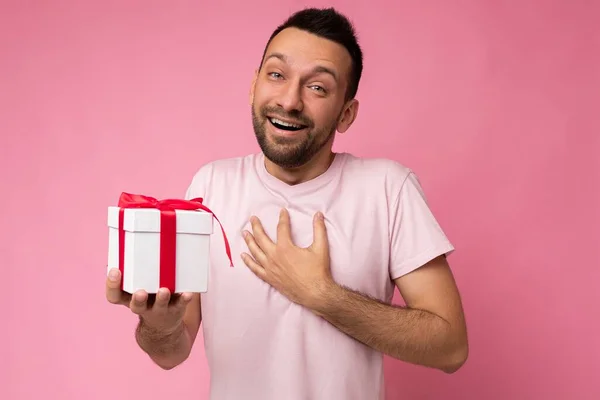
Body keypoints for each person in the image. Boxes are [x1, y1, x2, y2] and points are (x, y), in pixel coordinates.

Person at [105, 7, 468, 400]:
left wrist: (321, 295)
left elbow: (450, 346)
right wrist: (160, 325)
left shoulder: (388, 189)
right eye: (276, 75)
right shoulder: (211, 186)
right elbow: (171, 352)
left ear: (346, 113)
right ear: (253, 86)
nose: (290, 100)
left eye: (318, 87)